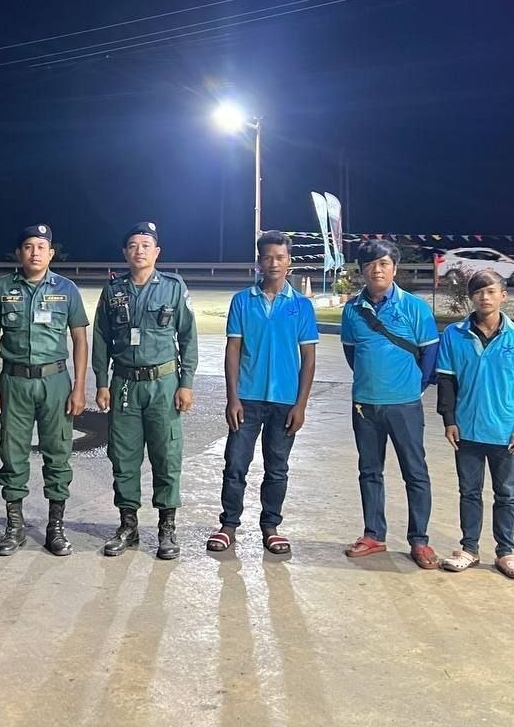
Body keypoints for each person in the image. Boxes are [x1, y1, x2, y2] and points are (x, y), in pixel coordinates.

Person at [206, 231, 318, 556]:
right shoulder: (243, 301)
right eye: (267, 257)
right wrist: (233, 397)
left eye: (280, 257)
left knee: (277, 467)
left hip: (285, 401)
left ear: (289, 262)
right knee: (235, 464)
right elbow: (233, 350)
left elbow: (309, 358)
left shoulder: (301, 306)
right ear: (259, 262)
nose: (274, 263)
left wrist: (301, 404)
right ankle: (229, 525)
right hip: (247, 398)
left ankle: (271, 526)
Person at [0, 224, 90, 556]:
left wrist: (79, 387)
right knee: (12, 454)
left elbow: (80, 339)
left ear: (51, 253)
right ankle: (14, 527)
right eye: (28, 247)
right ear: (19, 253)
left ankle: (55, 527)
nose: (35, 253)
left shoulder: (67, 289)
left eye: (41, 247)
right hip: (14, 381)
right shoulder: (2, 287)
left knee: (58, 453)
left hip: (55, 381)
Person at [92, 221, 198, 560]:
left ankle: (167, 527)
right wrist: (102, 381)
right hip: (124, 384)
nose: (139, 251)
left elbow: (188, 336)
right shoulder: (113, 290)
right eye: (133, 246)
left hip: (164, 384)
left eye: (146, 245)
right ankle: (128, 526)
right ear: (125, 252)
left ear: (157, 252)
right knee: (123, 457)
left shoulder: (173, 287)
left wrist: (186, 383)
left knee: (166, 455)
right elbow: (100, 338)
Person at [339, 239, 441, 569]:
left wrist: (415, 387)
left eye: (383, 263)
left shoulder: (415, 307)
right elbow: (352, 353)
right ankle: (374, 534)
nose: (377, 270)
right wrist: (371, 381)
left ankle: (419, 540)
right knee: (370, 470)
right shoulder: (352, 310)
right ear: (362, 270)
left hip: (405, 405)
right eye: (370, 264)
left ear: (394, 269)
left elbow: (430, 354)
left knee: (415, 471)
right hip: (365, 405)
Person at [436, 269, 514, 579]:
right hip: (467, 429)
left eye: (491, 291)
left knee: (506, 494)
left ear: (503, 296)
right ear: (471, 297)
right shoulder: (454, 335)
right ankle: (469, 548)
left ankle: (506, 552)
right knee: (469, 492)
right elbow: (446, 381)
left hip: (505, 432)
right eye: (479, 292)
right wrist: (449, 420)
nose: (485, 297)